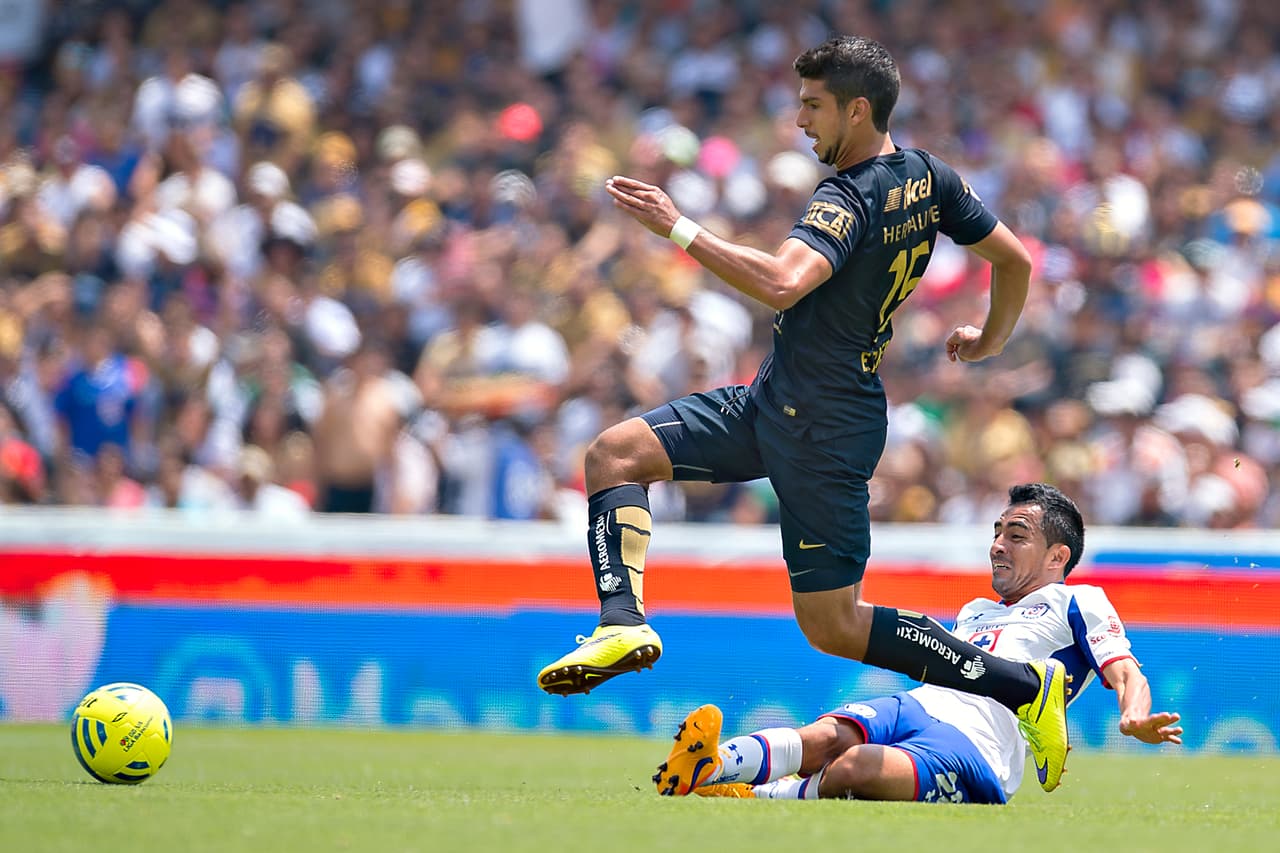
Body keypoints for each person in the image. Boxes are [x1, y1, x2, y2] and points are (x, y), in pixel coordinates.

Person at [536, 35, 1079, 792]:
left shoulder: (844, 196)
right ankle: (622, 622)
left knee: (834, 625)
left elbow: (784, 282)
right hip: (779, 399)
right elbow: (1014, 260)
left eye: (812, 105)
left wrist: (678, 227)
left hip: (824, 423)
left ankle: (1023, 687)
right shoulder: (931, 176)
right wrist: (989, 341)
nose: (799, 120)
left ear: (857, 111)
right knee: (614, 454)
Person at [655, 484, 1183, 803]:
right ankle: (710, 767)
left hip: (978, 749)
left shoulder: (1080, 601)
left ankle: (758, 795)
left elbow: (1126, 671)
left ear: (1057, 557)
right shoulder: (975, 610)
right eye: (997, 531)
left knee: (856, 766)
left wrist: (1134, 716)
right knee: (827, 735)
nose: (998, 544)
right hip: (919, 705)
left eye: (1017, 535)